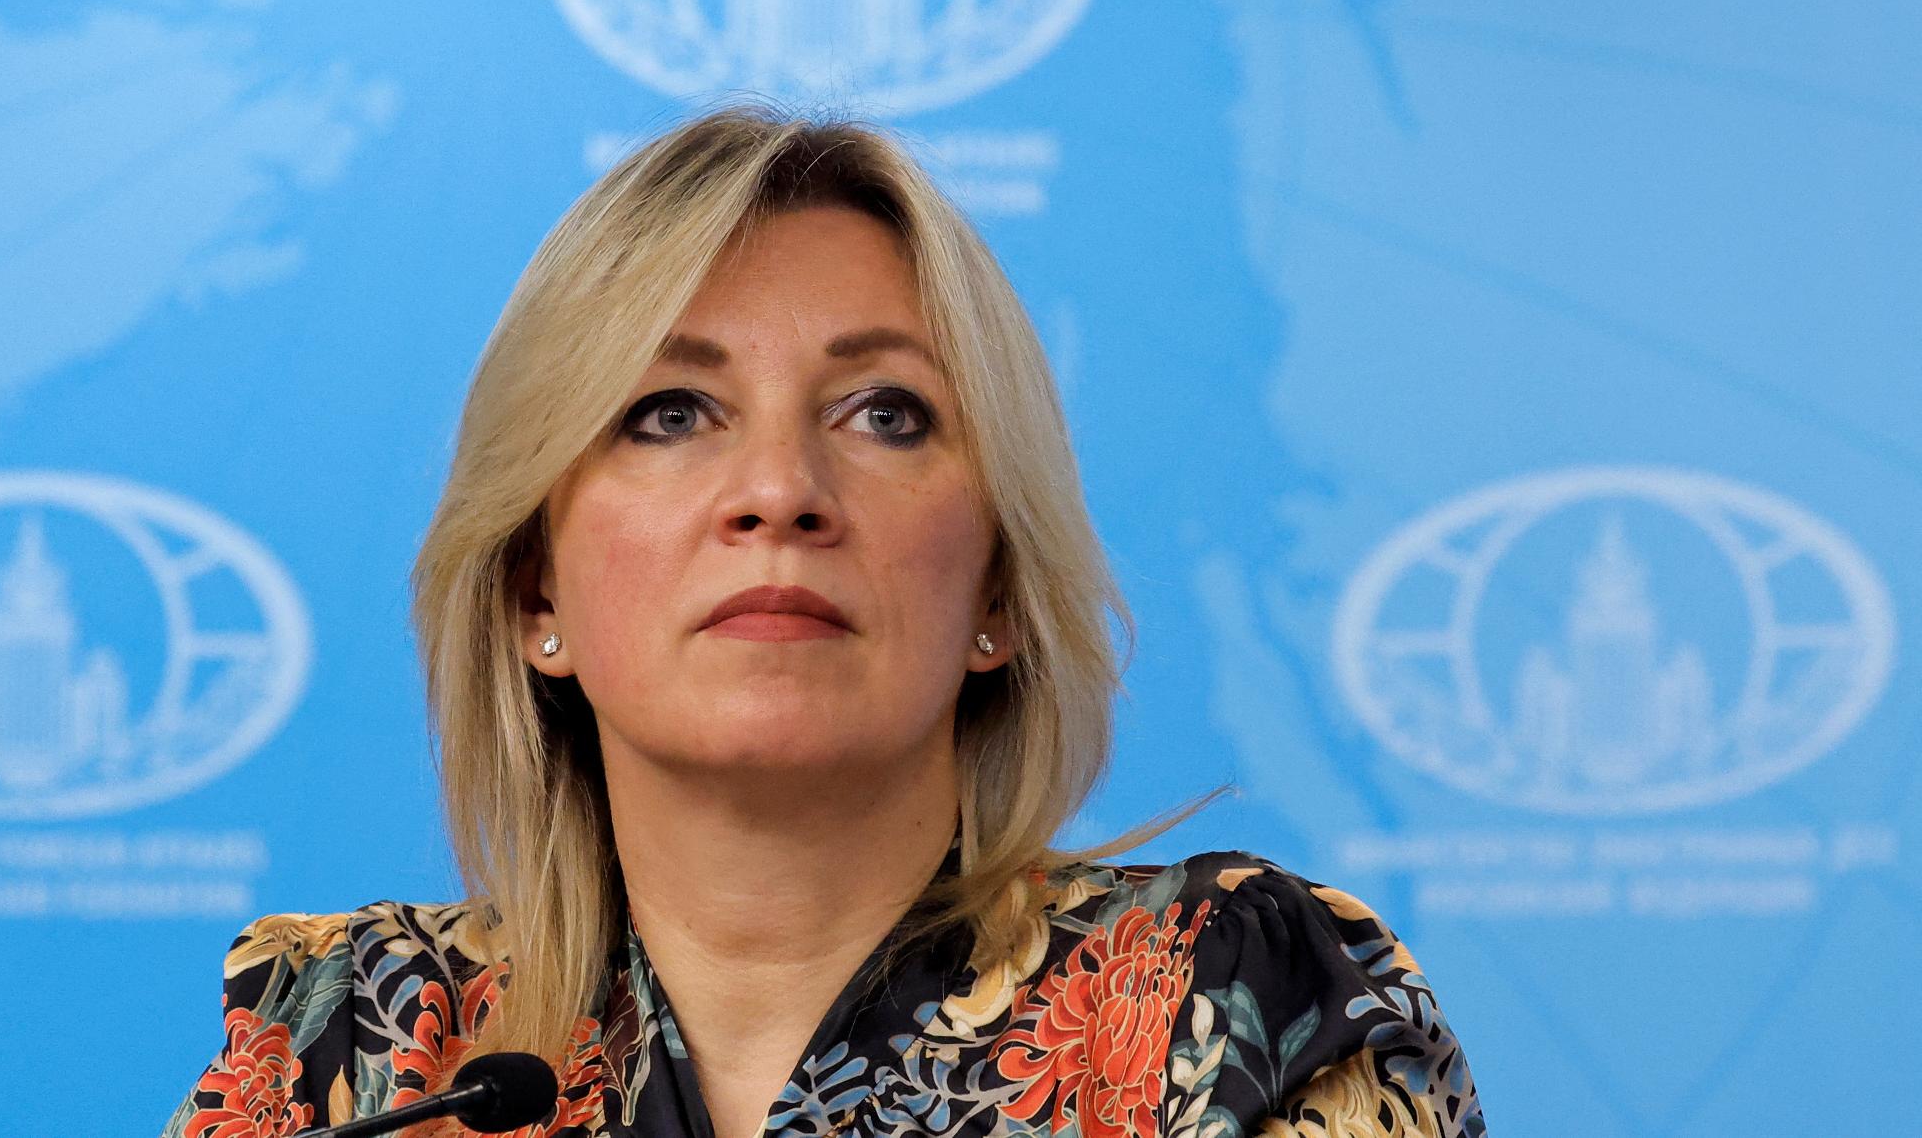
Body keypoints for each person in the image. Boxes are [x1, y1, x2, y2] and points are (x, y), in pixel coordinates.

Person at [161, 106, 1486, 1138]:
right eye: (670, 413)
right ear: (534, 592)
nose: (780, 491)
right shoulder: (359, 1046)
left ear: (998, 591)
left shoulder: (1228, 1001)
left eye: (885, 414)